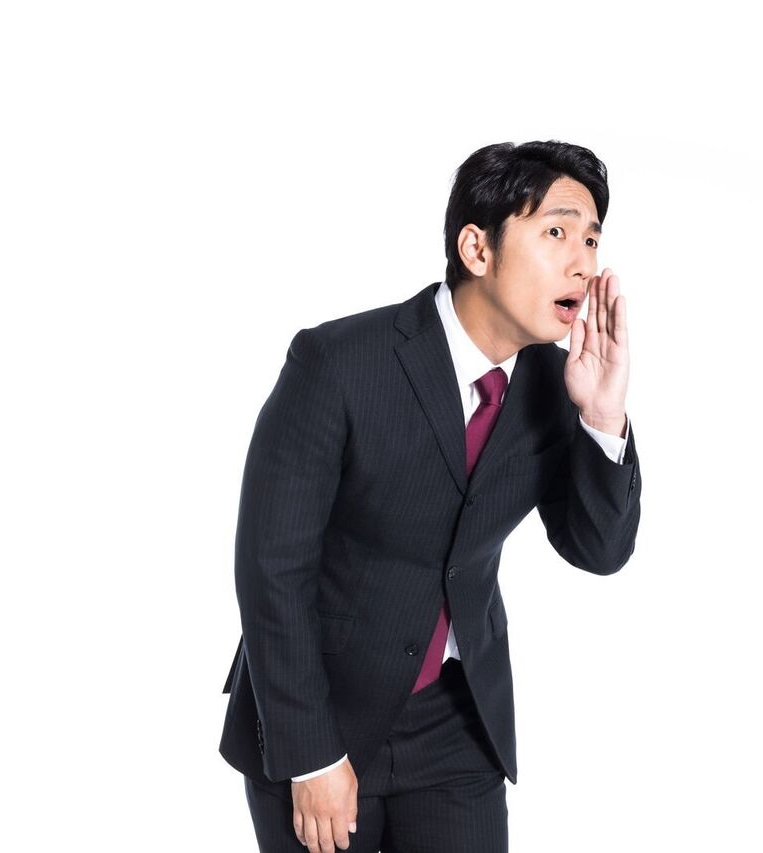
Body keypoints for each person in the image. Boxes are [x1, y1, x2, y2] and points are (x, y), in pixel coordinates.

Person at [218, 139, 642, 852]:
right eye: (557, 232)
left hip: (456, 722)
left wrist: (603, 415)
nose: (583, 263)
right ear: (477, 248)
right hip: (320, 711)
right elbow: (271, 571)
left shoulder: (555, 382)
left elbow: (597, 549)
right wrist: (311, 756)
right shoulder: (338, 363)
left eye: (592, 239)